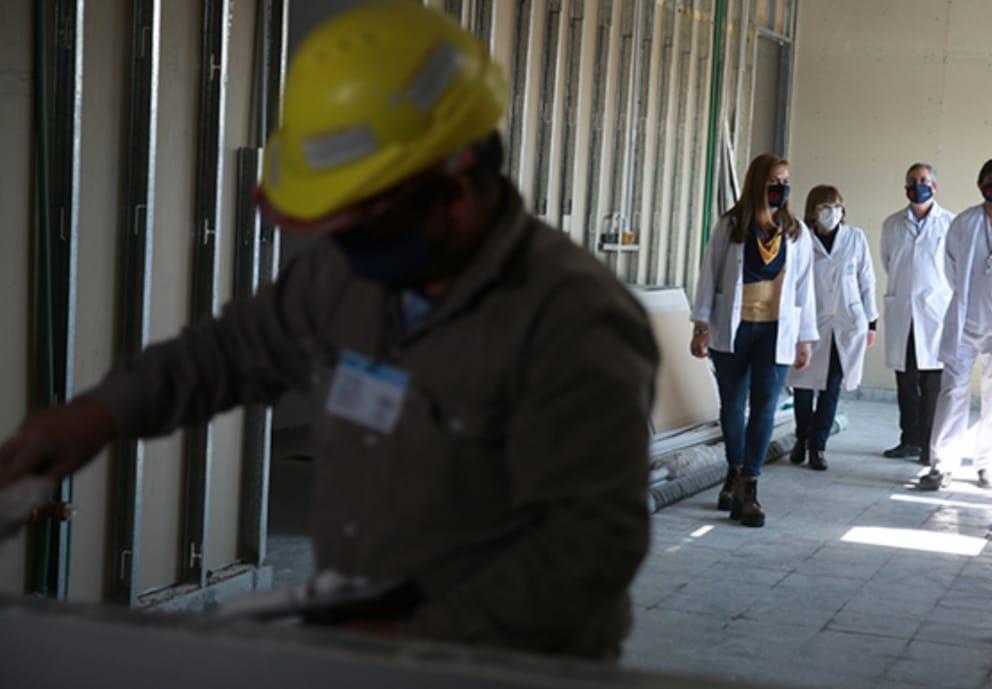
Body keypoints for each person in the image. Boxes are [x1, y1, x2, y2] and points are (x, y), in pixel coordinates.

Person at [0, 4, 658, 659]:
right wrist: (99, 413)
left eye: (364, 219)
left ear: (455, 192)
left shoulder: (572, 323)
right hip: (369, 640)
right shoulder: (352, 274)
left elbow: (591, 544)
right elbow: (228, 352)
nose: (343, 242)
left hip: (500, 663)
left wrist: (422, 635)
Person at [691, 153, 818, 528]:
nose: (781, 188)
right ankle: (734, 468)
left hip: (775, 330)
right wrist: (700, 326)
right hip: (733, 328)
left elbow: (804, 288)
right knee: (732, 407)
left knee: (765, 406)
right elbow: (709, 275)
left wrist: (805, 339)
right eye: (774, 181)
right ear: (757, 183)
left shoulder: (795, 232)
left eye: (786, 181)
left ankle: (749, 485)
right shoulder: (731, 226)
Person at [918, 159, 992, 491]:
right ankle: (942, 464)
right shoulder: (964, 222)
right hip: (965, 324)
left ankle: (988, 464)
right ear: (979, 185)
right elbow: (950, 268)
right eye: (990, 178)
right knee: (951, 392)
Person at [787, 186, 877, 471]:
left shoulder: (855, 237)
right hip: (809, 323)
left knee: (831, 387)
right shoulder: (799, 237)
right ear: (813, 210)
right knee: (802, 385)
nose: (832, 212)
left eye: (837, 206)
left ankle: (818, 446)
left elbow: (867, 280)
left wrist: (872, 321)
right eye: (825, 206)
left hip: (846, 323)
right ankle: (801, 437)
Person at [881, 163, 955, 465]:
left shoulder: (950, 223)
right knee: (906, 381)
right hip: (903, 311)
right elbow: (888, 261)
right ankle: (908, 440)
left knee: (932, 383)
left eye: (924, 180)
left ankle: (929, 445)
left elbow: (954, 267)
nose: (918, 185)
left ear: (934, 186)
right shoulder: (892, 224)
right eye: (912, 180)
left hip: (935, 313)